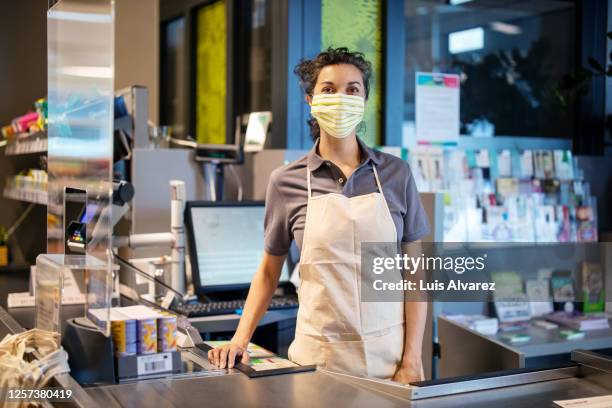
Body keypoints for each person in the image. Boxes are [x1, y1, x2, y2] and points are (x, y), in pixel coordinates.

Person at [208, 47, 430, 384]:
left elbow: (415, 277)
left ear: (364, 100)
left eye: (352, 89)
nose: (341, 98)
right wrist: (240, 339)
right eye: (329, 89)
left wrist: (412, 359)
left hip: (390, 364)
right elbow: (269, 274)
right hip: (317, 365)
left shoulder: (396, 175)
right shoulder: (286, 181)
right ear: (311, 100)